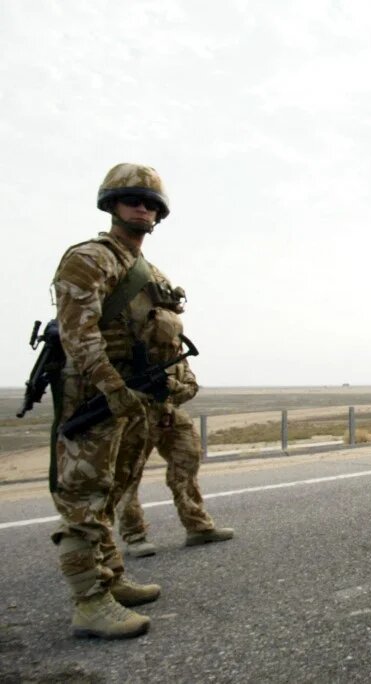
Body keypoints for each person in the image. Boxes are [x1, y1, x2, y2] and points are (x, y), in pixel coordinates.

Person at [50, 162, 179, 639]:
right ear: (111, 204)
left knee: (115, 491)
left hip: (136, 399)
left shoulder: (151, 273)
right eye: (132, 199)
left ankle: (113, 578)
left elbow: (163, 338)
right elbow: (78, 335)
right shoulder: (90, 258)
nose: (142, 208)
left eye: (150, 202)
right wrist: (112, 389)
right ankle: (89, 601)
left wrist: (169, 392)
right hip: (98, 400)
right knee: (84, 502)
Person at [115, 308, 233, 558]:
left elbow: (191, 388)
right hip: (138, 415)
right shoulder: (129, 356)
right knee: (128, 476)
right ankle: (135, 535)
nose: (167, 346)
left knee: (187, 462)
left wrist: (169, 385)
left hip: (169, 412)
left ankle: (197, 526)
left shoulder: (177, 356)